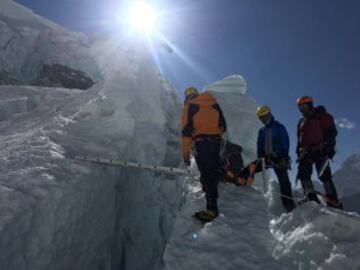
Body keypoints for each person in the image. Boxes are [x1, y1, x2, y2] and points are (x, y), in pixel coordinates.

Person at [181, 87, 227, 222]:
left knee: (207, 174)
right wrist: (213, 134)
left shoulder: (189, 107)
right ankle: (212, 194)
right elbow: (223, 126)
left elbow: (186, 132)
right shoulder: (214, 104)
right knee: (212, 170)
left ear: (187, 97)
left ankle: (212, 210)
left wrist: (186, 153)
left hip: (201, 143)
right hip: (216, 142)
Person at [240, 105, 295, 212]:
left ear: (269, 114)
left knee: (284, 182)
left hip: (279, 158)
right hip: (266, 158)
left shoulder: (279, 127)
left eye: (264, 116)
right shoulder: (262, 131)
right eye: (261, 118)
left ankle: (289, 207)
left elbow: (285, 142)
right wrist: (260, 155)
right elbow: (259, 145)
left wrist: (284, 157)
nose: (263, 119)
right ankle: (238, 183)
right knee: (250, 168)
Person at [296, 96, 343, 209]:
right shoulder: (301, 122)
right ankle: (310, 197)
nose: (302, 109)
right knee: (303, 173)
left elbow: (331, 132)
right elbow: (300, 140)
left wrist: (329, 147)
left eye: (304, 106)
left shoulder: (322, 116)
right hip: (307, 152)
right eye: (300, 107)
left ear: (310, 105)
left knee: (324, 175)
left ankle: (333, 201)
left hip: (321, 150)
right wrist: (298, 151)